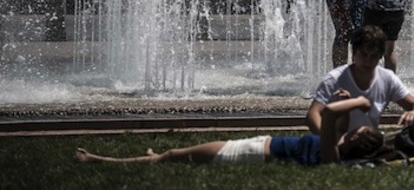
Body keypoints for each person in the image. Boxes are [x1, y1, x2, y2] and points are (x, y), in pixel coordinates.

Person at [74, 95, 385, 166]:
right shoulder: (337, 148)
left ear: (356, 141)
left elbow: (330, 115)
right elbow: (339, 123)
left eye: (358, 133)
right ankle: (159, 157)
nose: (354, 131)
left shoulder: (331, 153)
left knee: (171, 155)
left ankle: (100, 160)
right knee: (173, 155)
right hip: (258, 144)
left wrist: (359, 100)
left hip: (247, 154)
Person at [306, 25, 414, 135]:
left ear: (380, 56)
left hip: (366, 140)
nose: (367, 61)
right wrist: (327, 140)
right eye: (363, 54)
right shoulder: (335, 79)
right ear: (354, 53)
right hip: (337, 139)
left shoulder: (387, 78)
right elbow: (313, 114)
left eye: (373, 56)